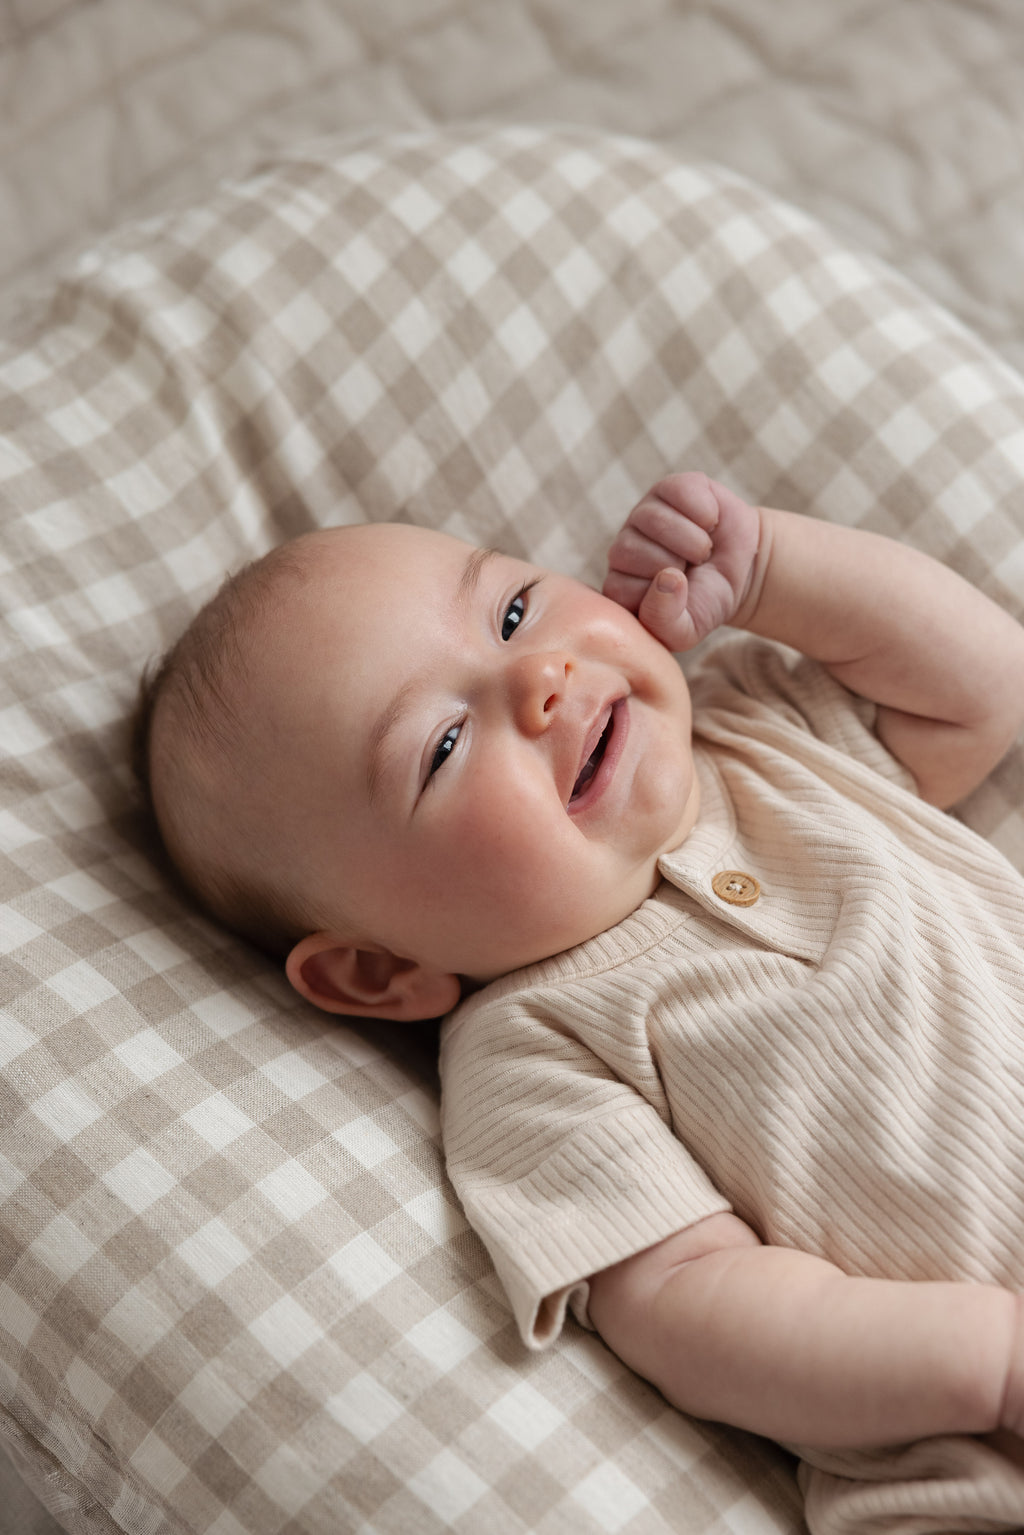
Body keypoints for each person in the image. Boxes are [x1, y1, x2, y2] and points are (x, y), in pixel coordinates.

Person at [137, 472, 1024, 1532]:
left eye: (513, 610)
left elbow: (981, 687)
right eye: (444, 746)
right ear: (379, 971)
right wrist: (988, 1361)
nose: (540, 677)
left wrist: (771, 568)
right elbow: (690, 1304)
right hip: (977, 1446)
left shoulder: (771, 729)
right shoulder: (529, 1054)